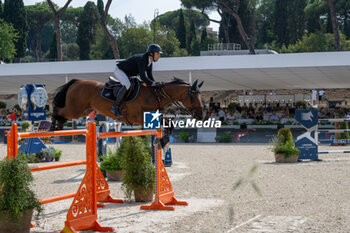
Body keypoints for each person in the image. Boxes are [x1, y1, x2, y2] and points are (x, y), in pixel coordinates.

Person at [111, 44, 163, 117]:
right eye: (157, 53)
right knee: (127, 84)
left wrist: (155, 84)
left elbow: (150, 76)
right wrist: (154, 84)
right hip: (120, 71)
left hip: (130, 74)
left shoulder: (149, 62)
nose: (159, 56)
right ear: (151, 53)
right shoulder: (142, 59)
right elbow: (143, 77)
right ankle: (115, 107)